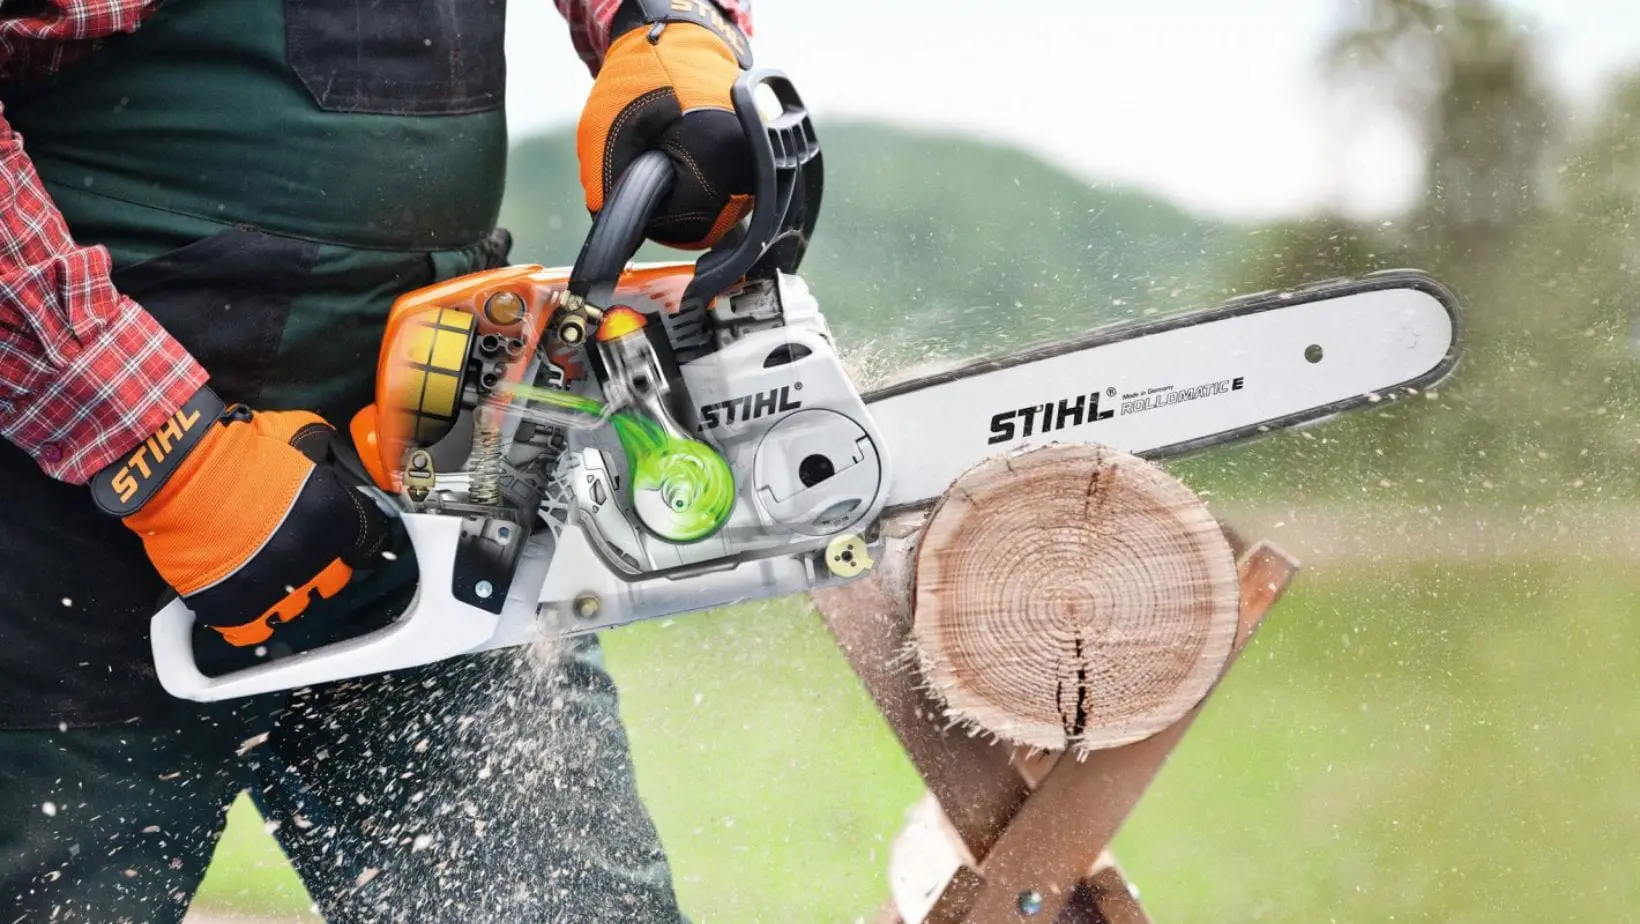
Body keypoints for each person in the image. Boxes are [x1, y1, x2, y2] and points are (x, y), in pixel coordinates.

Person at [0, 0, 761, 920]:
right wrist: (156, 447)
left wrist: (665, 24)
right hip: (59, 518)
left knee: (562, 900)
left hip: (443, 462)